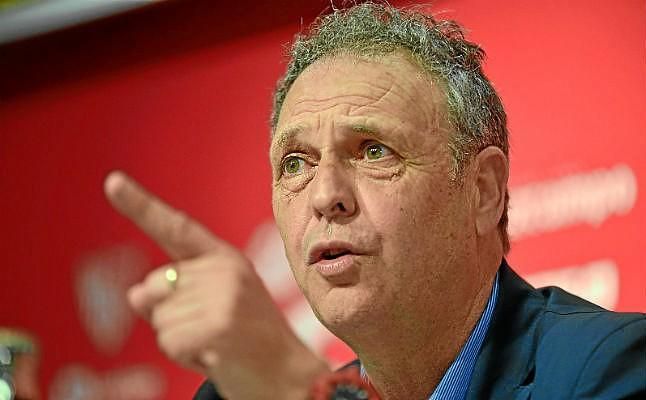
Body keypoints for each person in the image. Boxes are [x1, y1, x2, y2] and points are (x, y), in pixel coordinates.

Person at [104, 3, 645, 399]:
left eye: (372, 151)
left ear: (483, 191)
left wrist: (299, 389)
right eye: (295, 163)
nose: (325, 196)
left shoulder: (610, 369)